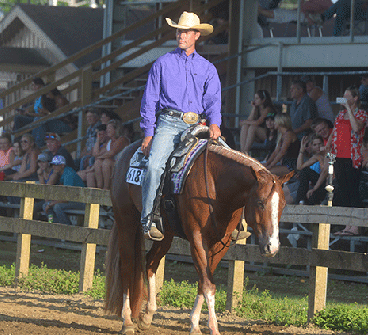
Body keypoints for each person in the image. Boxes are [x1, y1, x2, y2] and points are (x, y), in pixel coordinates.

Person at [140, 11, 221, 241]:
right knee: (155, 166)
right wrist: (148, 133)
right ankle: (148, 219)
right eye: (178, 31)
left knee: (228, 159)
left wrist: (215, 123)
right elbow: (150, 99)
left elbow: (213, 100)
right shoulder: (162, 63)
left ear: (196, 35)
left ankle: (233, 222)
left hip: (198, 124)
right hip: (168, 122)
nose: (181, 35)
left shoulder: (208, 68)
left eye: (186, 32)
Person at [329, 86, 368, 235]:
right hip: (339, 155)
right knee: (343, 191)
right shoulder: (340, 114)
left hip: (353, 157)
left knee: (353, 191)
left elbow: (356, 128)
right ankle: (347, 225)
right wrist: (328, 146)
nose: (343, 98)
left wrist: (349, 110)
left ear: (354, 98)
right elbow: (335, 131)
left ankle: (356, 226)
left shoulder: (362, 114)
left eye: (347, 96)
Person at [43, 155, 85, 225]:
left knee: (57, 207)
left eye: (56, 165)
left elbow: (66, 198)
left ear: (62, 165)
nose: (53, 167)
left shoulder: (68, 174)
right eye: (52, 164)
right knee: (45, 205)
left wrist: (51, 204)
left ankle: (67, 228)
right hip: (71, 200)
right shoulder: (61, 173)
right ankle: (53, 224)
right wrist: (50, 203)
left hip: (80, 201)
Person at [89, 120, 129, 189]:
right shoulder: (109, 142)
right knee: (98, 163)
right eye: (107, 128)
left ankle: (106, 188)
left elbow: (111, 153)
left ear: (116, 129)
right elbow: (95, 154)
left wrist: (99, 157)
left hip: (124, 167)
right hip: (114, 166)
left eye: (109, 128)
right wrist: (98, 139)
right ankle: (99, 188)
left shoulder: (122, 139)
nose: (107, 130)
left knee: (106, 162)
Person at [239, 89, 277, 154]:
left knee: (252, 128)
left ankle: (245, 151)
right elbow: (249, 120)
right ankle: (242, 152)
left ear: (263, 99)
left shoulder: (268, 109)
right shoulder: (257, 108)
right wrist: (254, 108)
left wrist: (244, 121)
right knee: (245, 126)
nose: (254, 100)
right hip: (258, 134)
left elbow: (259, 122)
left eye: (257, 98)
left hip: (269, 133)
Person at [295, 135, 328, 205]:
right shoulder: (316, 157)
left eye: (320, 144)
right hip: (319, 183)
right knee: (305, 171)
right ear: (312, 147)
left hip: (328, 182)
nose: (318, 147)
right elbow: (300, 167)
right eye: (315, 145)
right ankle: (301, 200)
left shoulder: (328, 154)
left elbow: (325, 171)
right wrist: (301, 150)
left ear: (323, 144)